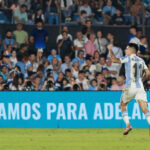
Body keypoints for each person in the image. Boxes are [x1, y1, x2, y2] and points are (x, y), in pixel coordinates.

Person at [108, 43, 150, 135]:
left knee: (123, 105)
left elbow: (114, 60)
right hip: (140, 87)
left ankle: (128, 125)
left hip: (130, 86)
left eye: (126, 49)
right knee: (144, 108)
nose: (125, 51)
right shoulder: (141, 60)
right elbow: (147, 73)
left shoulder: (128, 58)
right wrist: (142, 80)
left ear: (131, 50)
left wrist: (110, 50)